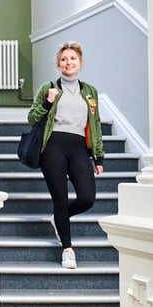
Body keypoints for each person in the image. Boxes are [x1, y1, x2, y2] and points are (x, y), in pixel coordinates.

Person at [27, 41, 104, 269]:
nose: (68, 62)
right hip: (53, 147)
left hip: (79, 146)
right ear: (58, 64)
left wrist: (98, 157)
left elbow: (95, 124)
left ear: (80, 62)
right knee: (59, 199)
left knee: (87, 198)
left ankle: (59, 217)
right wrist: (48, 103)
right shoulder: (48, 87)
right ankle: (68, 249)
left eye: (72, 59)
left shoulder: (89, 92)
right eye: (64, 59)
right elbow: (32, 118)